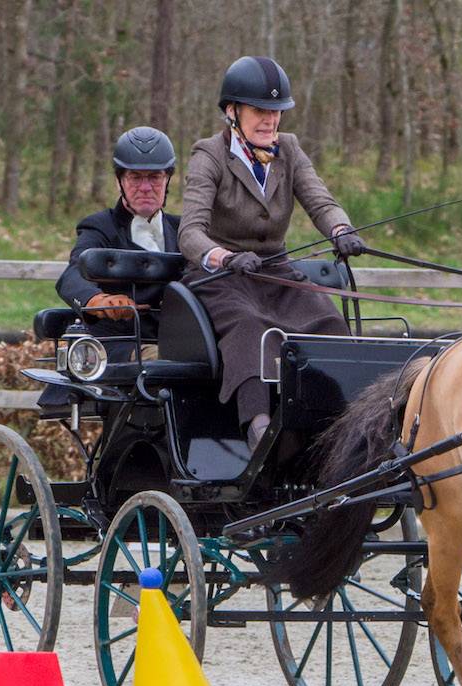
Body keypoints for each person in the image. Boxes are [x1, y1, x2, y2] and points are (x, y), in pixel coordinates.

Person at [178, 55, 365, 450]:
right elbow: (190, 233)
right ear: (233, 112)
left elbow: (321, 202)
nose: (270, 121)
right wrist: (225, 257)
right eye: (260, 111)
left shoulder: (289, 149)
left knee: (329, 321)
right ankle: (258, 428)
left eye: (276, 112)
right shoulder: (209, 154)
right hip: (222, 277)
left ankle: (343, 425)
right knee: (251, 327)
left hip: (276, 273)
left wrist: (341, 229)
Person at [56, 126, 182, 355]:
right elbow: (72, 275)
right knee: (162, 360)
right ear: (119, 181)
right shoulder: (100, 227)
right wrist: (97, 300)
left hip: (181, 343)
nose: (146, 188)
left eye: (155, 177)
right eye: (135, 177)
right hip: (119, 347)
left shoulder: (184, 230)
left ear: (167, 180)